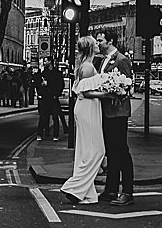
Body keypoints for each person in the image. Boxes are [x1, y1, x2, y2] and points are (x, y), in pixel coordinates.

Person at [58, 37, 108, 205]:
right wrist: (108, 95)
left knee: (87, 151)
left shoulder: (86, 64)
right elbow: (85, 92)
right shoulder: (87, 67)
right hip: (87, 108)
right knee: (97, 151)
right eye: (95, 43)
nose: (98, 44)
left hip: (89, 108)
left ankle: (86, 194)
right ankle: (73, 186)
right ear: (90, 48)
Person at [94, 28, 135, 206]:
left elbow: (128, 86)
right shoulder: (102, 61)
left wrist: (116, 92)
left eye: (100, 41)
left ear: (110, 41)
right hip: (106, 112)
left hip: (118, 113)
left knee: (122, 152)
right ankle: (111, 189)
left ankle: (127, 191)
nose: (98, 44)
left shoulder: (122, 60)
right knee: (111, 152)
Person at [37, 57, 67, 140]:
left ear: (50, 62)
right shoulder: (43, 73)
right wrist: (41, 91)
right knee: (43, 116)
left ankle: (55, 135)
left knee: (55, 116)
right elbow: (38, 83)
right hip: (45, 97)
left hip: (53, 97)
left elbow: (60, 84)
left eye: (45, 61)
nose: (44, 62)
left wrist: (56, 94)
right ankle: (40, 134)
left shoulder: (57, 73)